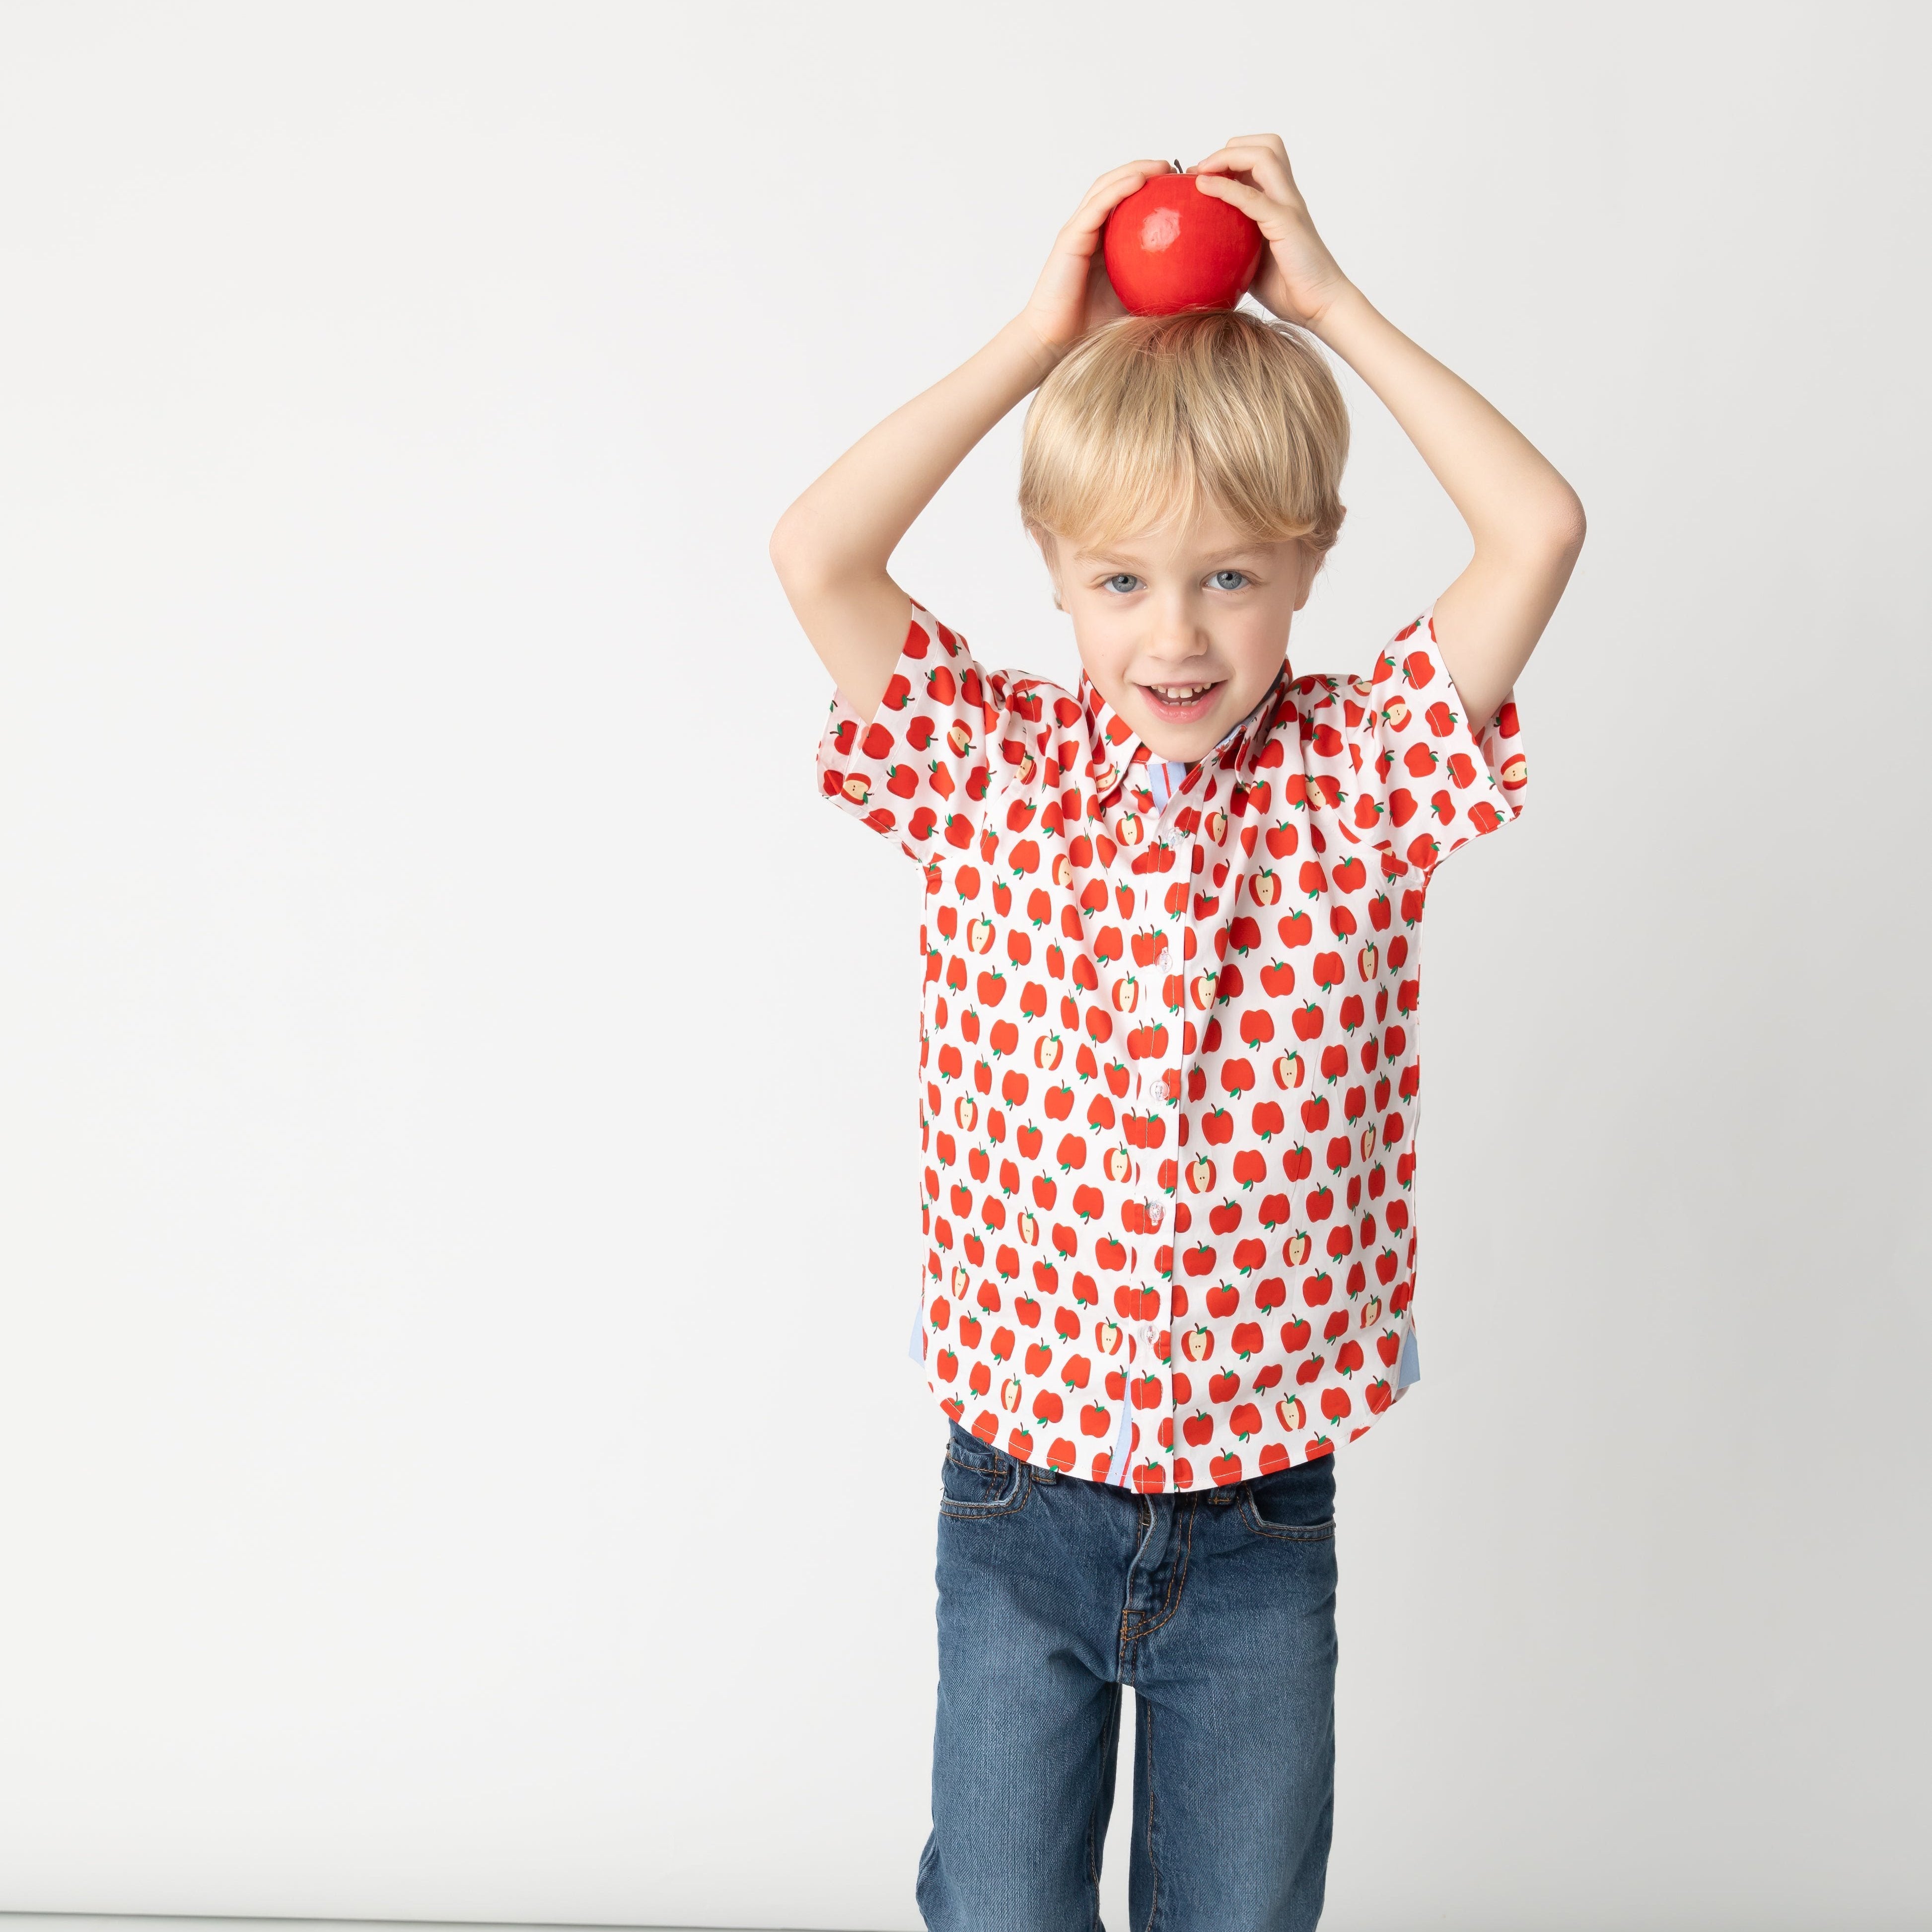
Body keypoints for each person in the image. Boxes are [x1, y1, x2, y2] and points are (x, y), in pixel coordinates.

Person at [770, 133, 1584, 1932]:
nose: (1178, 634)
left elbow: (1535, 526)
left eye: (1231, 576)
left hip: (1256, 1528)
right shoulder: (983, 773)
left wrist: (1328, 304)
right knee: (994, 1907)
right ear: (1055, 579)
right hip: (1016, 1502)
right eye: (1122, 581)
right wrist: (1034, 342)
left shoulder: (1366, 781)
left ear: (1307, 567)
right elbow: (817, 548)